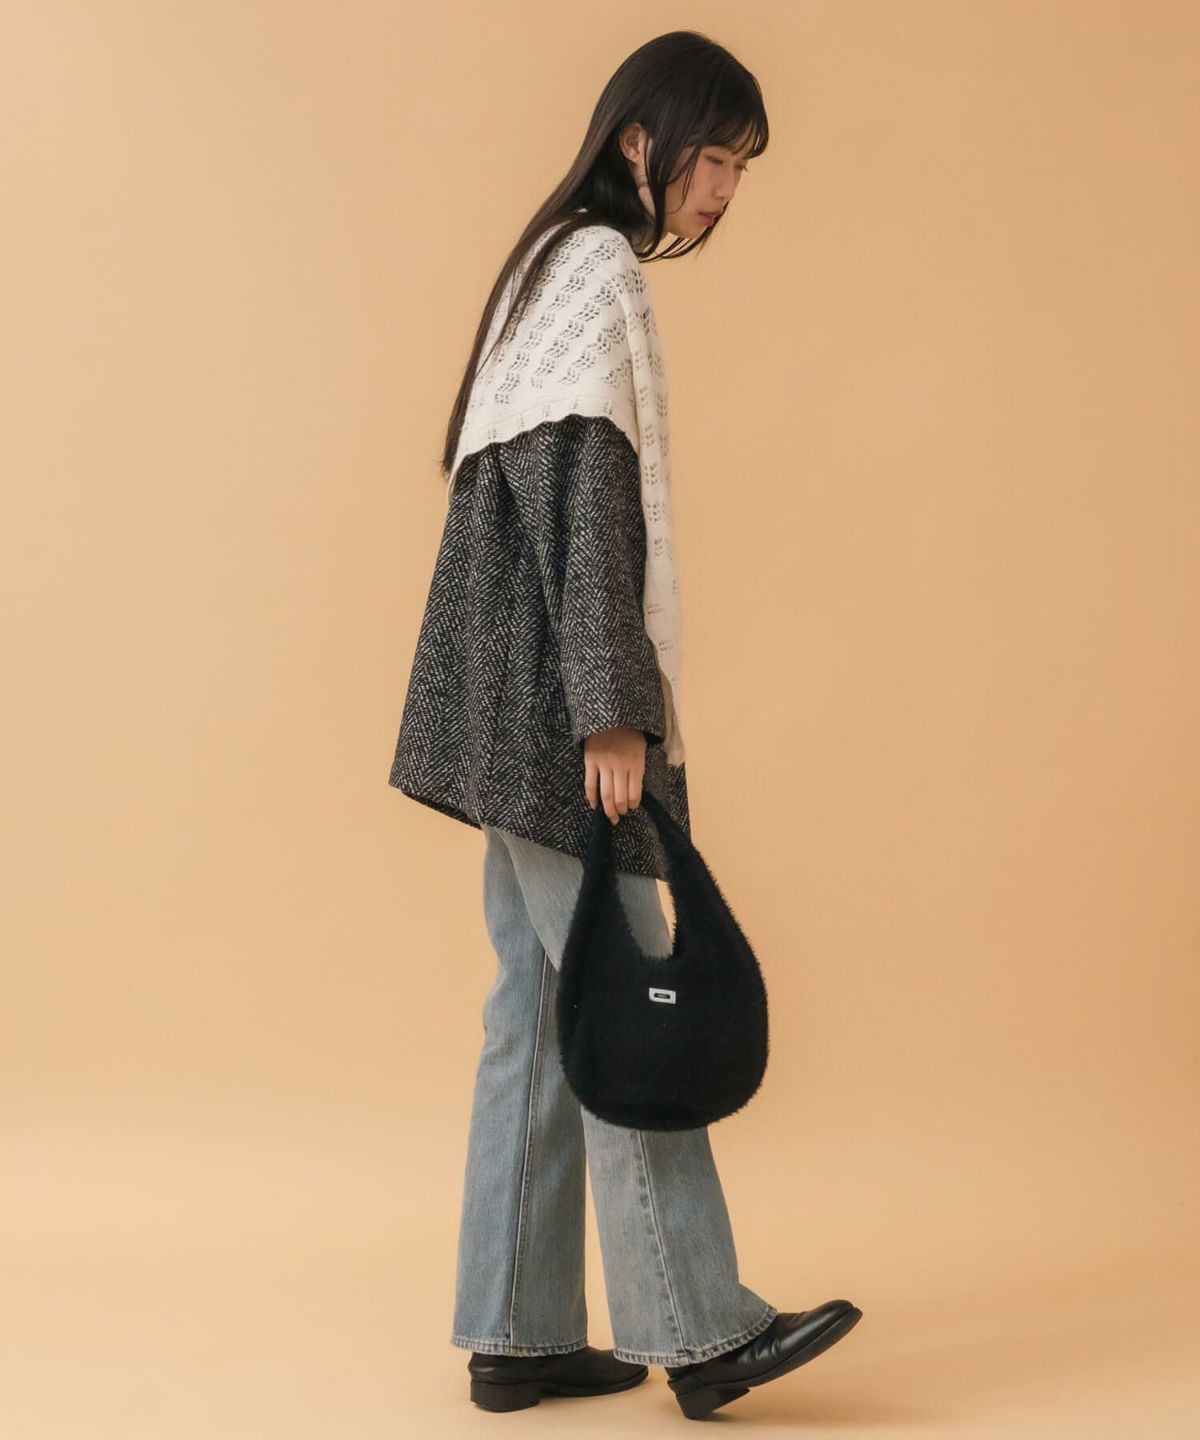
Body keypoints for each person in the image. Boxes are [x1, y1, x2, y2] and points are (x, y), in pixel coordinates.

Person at [387, 29, 862, 1420]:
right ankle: (698, 1326)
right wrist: (611, 711)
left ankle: (519, 1329)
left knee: (540, 1013)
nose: (724, 188)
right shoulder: (596, 266)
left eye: (743, 167)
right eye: (713, 157)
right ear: (640, 142)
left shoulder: (542, 265)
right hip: (551, 708)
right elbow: (585, 497)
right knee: (622, 992)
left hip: (494, 697)